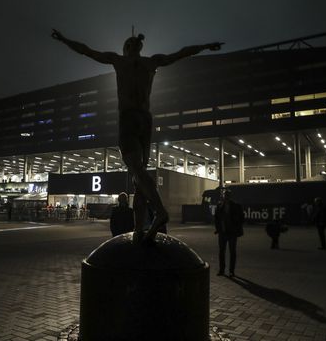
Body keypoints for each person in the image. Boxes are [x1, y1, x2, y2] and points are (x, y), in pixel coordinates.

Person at [52, 28, 223, 243]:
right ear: (140, 48)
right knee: (139, 177)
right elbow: (182, 53)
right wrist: (206, 46)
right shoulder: (152, 62)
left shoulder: (118, 61)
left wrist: (65, 38)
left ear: (125, 49)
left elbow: (86, 51)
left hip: (129, 118)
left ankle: (160, 211)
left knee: (135, 168)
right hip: (146, 119)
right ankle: (139, 229)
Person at [214, 187, 244, 277]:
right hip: (223, 232)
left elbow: (241, 218)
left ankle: (230, 271)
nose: (226, 197)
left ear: (229, 196)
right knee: (223, 252)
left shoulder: (235, 206)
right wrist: (218, 229)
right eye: (225, 195)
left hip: (231, 232)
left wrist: (236, 226)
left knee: (231, 252)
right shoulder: (220, 206)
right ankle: (223, 270)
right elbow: (216, 219)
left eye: (227, 195)